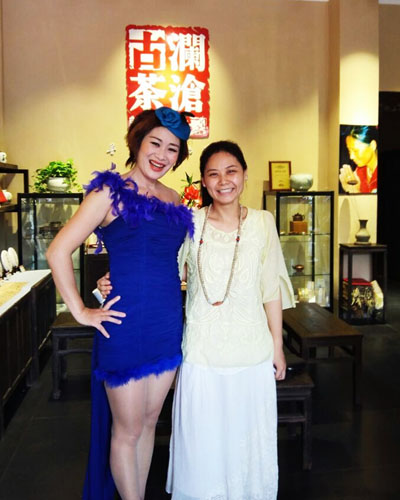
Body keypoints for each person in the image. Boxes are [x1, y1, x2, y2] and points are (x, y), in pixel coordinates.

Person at [99, 140, 295, 499]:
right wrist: (116, 278)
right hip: (201, 354)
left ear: (244, 175)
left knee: (246, 442)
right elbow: (162, 268)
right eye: (213, 174)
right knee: (204, 446)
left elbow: (271, 289)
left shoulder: (263, 223)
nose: (224, 181)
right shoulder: (189, 222)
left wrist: (278, 346)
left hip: (252, 353)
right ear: (204, 181)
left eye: (231, 171)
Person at [46, 107, 194, 500]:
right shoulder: (109, 193)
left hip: (167, 322)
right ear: (138, 142)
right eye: (155, 143)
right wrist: (81, 310)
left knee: (148, 424)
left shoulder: (174, 198)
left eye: (172, 148)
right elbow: (58, 251)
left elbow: (170, 258)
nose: (162, 155)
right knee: (127, 430)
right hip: (124, 323)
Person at [339, 125, 378, 194]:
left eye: (355, 151)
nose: (351, 157)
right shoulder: (358, 173)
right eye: (349, 151)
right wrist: (353, 192)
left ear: (372, 145)